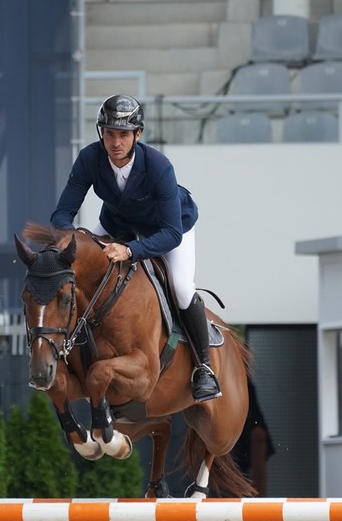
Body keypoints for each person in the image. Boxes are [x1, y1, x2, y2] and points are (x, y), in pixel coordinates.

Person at [50, 93, 221, 401]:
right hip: (122, 224)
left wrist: (130, 251)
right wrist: (71, 238)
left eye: (124, 135)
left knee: (181, 286)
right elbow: (62, 213)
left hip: (169, 228)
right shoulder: (90, 158)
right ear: (102, 132)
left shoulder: (158, 166)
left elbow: (171, 234)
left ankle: (204, 369)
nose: (116, 142)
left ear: (137, 135)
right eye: (110, 134)